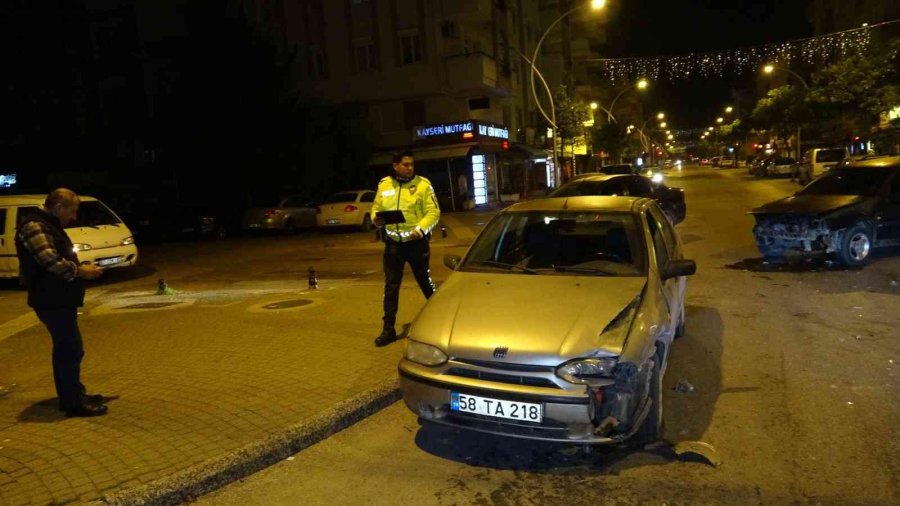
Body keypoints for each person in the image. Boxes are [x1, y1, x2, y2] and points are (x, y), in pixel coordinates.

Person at [15, 188, 107, 417]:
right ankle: (72, 402)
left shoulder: (47, 224)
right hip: (50, 300)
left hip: (57, 299)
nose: (73, 217)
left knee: (70, 348)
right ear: (58, 207)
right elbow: (50, 260)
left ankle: (75, 393)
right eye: (72, 211)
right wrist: (81, 271)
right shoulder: (35, 226)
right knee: (69, 349)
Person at [371, 150, 441, 346]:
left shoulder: (423, 185)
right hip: (393, 245)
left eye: (411, 164)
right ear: (395, 166)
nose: (410, 168)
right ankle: (388, 330)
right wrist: (375, 218)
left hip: (417, 244)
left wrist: (421, 229)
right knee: (391, 288)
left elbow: (433, 212)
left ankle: (441, 319)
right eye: (405, 164)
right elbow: (376, 207)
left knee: (425, 283)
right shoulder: (384, 184)